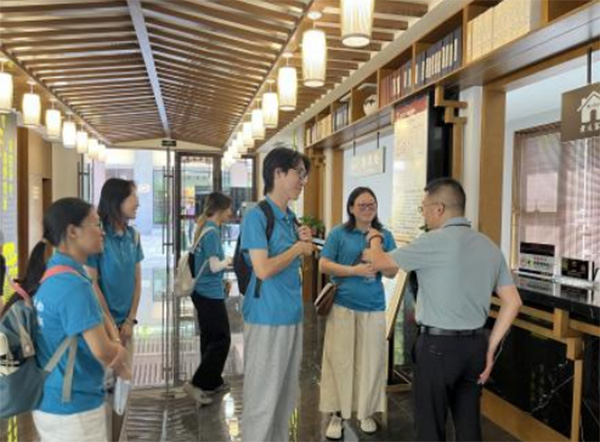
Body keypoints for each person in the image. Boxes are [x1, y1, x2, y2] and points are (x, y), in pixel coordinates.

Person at [367, 177, 522, 442]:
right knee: (469, 427)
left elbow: (380, 262)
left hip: (436, 349)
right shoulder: (489, 246)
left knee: (430, 427)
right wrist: (490, 349)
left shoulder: (431, 242)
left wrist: (374, 237)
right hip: (475, 347)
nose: (423, 213)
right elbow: (513, 302)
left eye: (424, 207)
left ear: (439, 208)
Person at [0, 198, 129, 442]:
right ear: (72, 232)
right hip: (74, 408)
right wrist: (121, 355)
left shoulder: (52, 274)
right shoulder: (73, 286)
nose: (101, 231)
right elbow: (102, 351)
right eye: (95, 224)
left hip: (51, 401)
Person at [240, 147, 316, 442]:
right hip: (266, 316)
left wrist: (301, 243)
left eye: (305, 175)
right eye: (299, 173)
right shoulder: (257, 216)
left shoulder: (290, 218)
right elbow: (262, 269)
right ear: (278, 173)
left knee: (285, 397)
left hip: (291, 314)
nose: (303, 181)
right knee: (262, 398)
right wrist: (297, 249)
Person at [319, 187, 398, 440]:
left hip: (373, 308)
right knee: (340, 361)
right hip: (342, 306)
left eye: (371, 204)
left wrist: (377, 256)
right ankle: (337, 415)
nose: (367, 209)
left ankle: (366, 412)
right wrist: (354, 271)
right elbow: (323, 264)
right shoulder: (339, 233)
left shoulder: (384, 236)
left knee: (371, 362)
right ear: (351, 208)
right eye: (362, 205)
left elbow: (392, 272)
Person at [183, 191, 234, 405]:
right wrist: (228, 261)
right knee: (222, 338)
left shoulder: (205, 229)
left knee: (210, 337)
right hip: (209, 294)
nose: (231, 212)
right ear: (220, 210)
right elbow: (213, 266)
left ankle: (211, 382)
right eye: (229, 208)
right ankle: (198, 382)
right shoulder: (211, 232)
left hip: (202, 292)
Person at [87, 178, 143, 351]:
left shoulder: (133, 236)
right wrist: (111, 325)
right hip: (101, 325)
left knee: (124, 366)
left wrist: (130, 320)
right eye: (133, 196)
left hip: (126, 326)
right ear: (117, 201)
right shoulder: (98, 236)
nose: (138, 203)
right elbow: (92, 284)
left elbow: (137, 281)